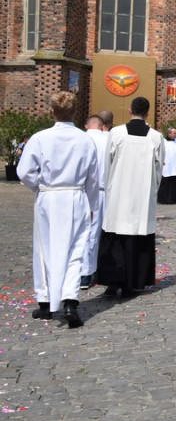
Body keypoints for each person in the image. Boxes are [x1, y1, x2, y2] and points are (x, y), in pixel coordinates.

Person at [18, 91, 101, 327]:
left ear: (52, 111)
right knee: (76, 250)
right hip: (76, 196)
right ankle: (69, 301)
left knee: (45, 248)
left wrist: (39, 188)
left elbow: (24, 172)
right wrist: (93, 205)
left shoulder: (40, 138)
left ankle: (45, 302)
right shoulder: (85, 140)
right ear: (76, 112)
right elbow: (93, 178)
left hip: (49, 196)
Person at [96, 96, 165, 298]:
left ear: (129, 110)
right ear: (148, 113)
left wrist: (110, 187)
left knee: (116, 237)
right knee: (138, 236)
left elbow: (107, 164)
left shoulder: (116, 133)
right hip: (142, 197)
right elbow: (158, 170)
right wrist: (152, 192)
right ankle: (134, 282)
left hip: (118, 192)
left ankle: (112, 281)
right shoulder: (155, 137)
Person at [81, 114, 110, 290]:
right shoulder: (109, 139)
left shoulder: (80, 139)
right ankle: (99, 269)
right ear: (102, 126)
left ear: (86, 125)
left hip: (80, 190)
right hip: (104, 190)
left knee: (84, 233)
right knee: (102, 232)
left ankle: (84, 272)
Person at [157, 127, 176, 204]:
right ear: (169, 133)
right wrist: (161, 161)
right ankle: (164, 199)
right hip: (167, 165)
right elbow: (159, 152)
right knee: (166, 181)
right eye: (174, 133)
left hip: (175, 165)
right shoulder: (163, 142)